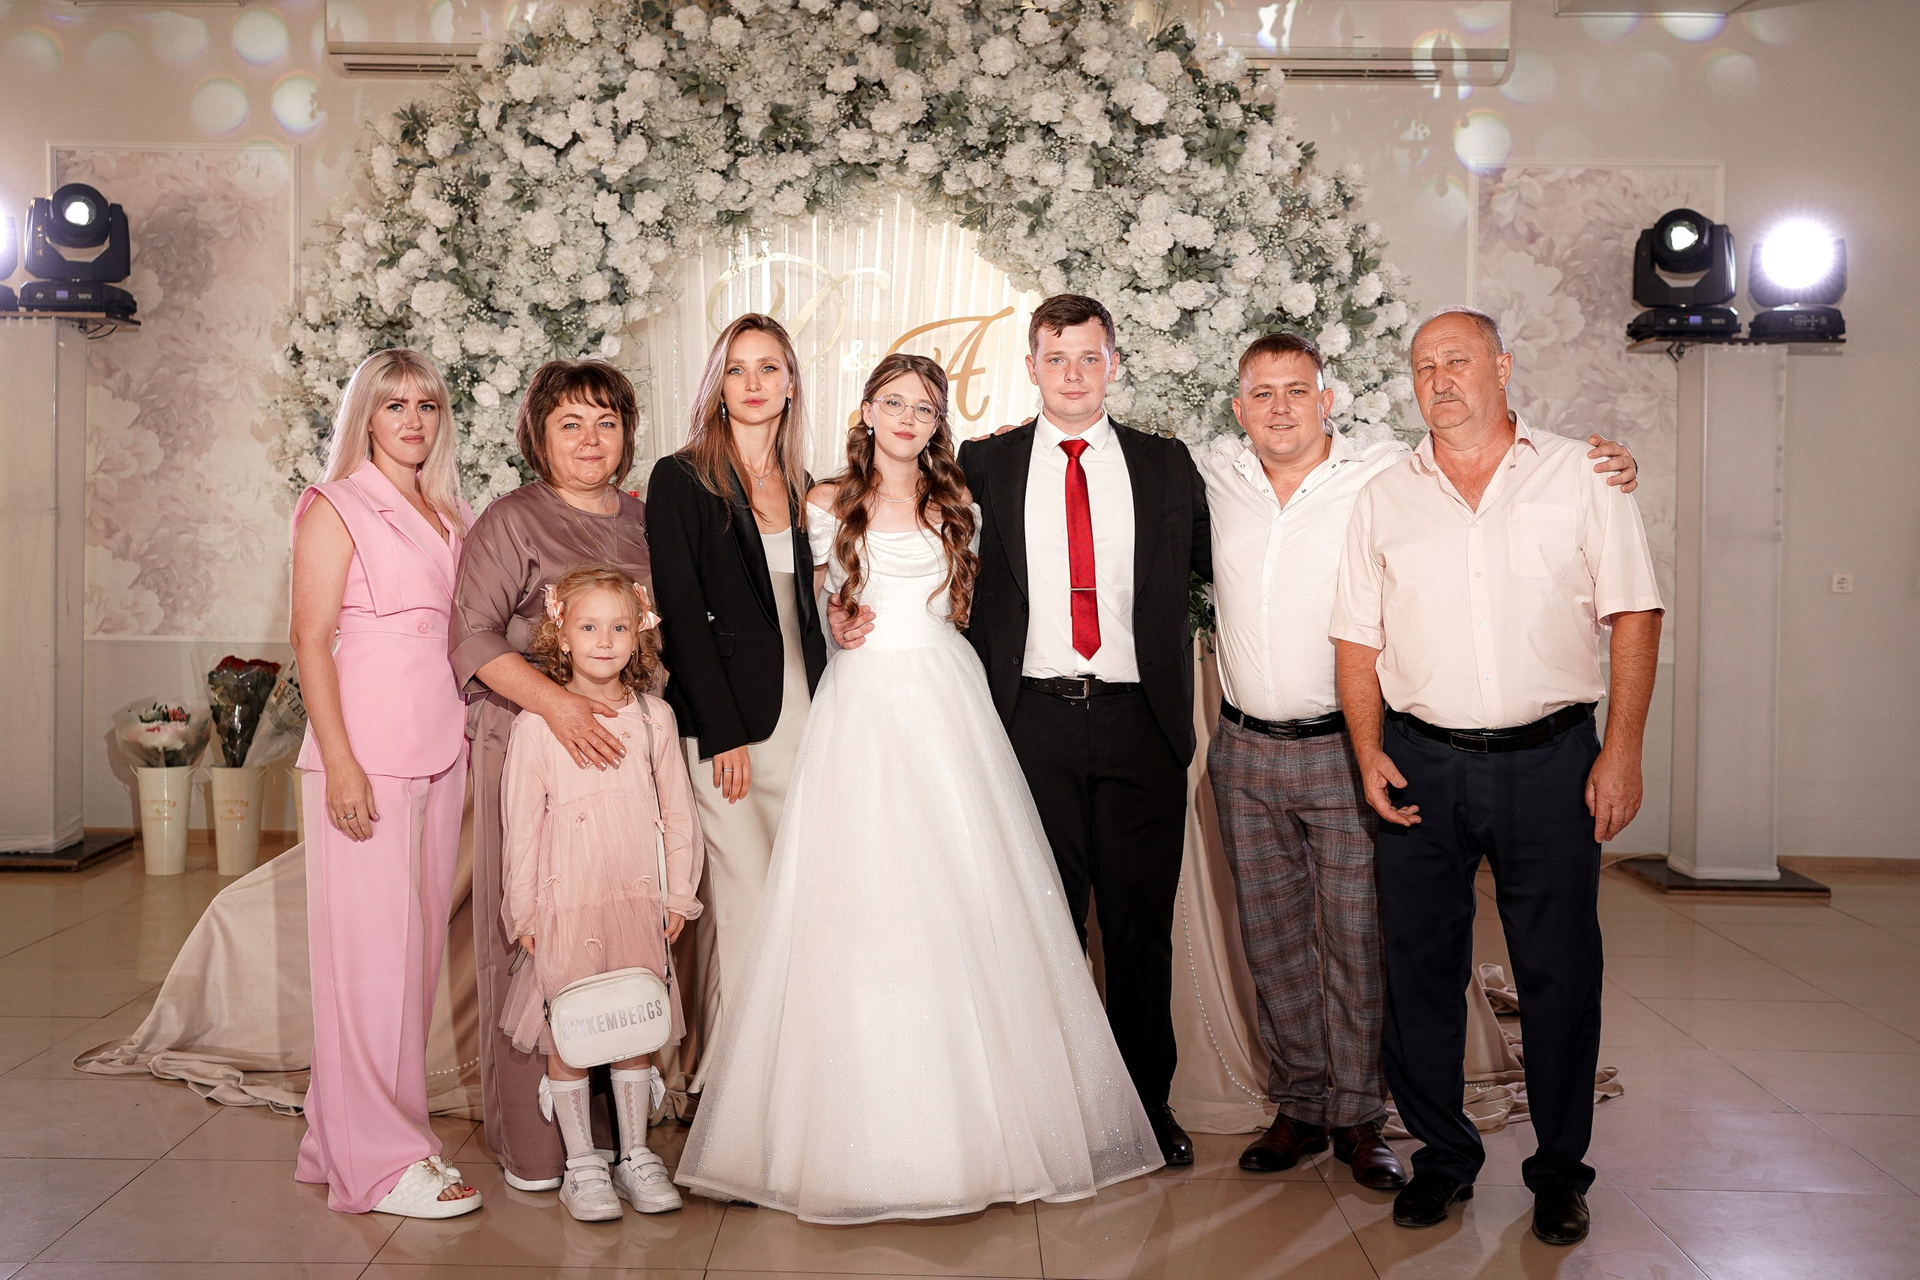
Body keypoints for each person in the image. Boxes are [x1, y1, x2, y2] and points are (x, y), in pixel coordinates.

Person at [675, 354, 1163, 1222]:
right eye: (893, 402)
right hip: (860, 707)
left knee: (962, 895)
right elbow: (801, 606)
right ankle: (855, 1133)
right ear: (866, 410)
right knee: (863, 901)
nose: (907, 417)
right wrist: (835, 616)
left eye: (925, 407)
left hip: (946, 701)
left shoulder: (960, 500)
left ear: (940, 422)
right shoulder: (824, 501)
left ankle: (986, 1128)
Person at [1204, 333, 1640, 1189]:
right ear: (1238, 409)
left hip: (1446, 750)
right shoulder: (1232, 476)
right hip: (1308, 751)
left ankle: (1405, 1128)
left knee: (1417, 951)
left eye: (1298, 390)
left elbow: (1625, 601)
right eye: (1262, 393)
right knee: (1324, 949)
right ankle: (1350, 1123)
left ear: (1328, 400)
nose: (1281, 407)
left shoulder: (1400, 473)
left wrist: (1619, 466)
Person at [1331, 307, 1663, 1246]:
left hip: (1551, 762)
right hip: (1421, 761)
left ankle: (1559, 1173)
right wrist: (1368, 750)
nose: (1440, 379)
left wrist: (1623, 749)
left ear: (1503, 367)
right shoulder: (1384, 497)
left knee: (1560, 971)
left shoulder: (1584, 475)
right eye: (1423, 366)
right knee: (1420, 971)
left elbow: (1635, 612)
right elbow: (1356, 637)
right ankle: (1443, 1159)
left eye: (1459, 360)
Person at [956, 294, 1210, 1166]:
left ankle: (1145, 1109)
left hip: (1141, 719)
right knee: (1046, 924)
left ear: (1114, 365)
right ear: (1030, 366)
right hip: (1029, 721)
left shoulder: (1166, 464)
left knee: (1139, 930)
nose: (1073, 374)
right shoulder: (982, 464)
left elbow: (1231, 553)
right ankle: (1057, 1111)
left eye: (1089, 357)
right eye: (1056, 358)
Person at [449, 359, 652, 1192]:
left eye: (606, 422)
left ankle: (617, 1137)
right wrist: (561, 709)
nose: (590, 439)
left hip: (623, 758)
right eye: (570, 423)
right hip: (532, 746)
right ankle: (537, 1147)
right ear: (539, 434)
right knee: (535, 931)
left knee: (616, 929)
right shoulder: (511, 520)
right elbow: (471, 636)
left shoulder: (645, 521)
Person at [288, 348, 480, 1217]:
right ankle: (381, 1164)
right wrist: (340, 762)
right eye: (394, 404)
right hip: (364, 752)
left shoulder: (450, 511)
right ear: (364, 416)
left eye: (426, 405)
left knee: (410, 961)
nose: (412, 420)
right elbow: (309, 638)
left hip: (441, 746)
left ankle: (341, 1139)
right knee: (370, 965)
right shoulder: (335, 504)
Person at [645, 314, 826, 1074]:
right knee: (746, 909)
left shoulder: (809, 488)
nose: (753, 384)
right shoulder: (681, 478)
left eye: (769, 368)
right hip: (731, 733)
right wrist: (722, 735)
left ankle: (787, 1085)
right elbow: (682, 617)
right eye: (737, 369)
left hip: (812, 723)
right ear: (717, 385)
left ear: (791, 384)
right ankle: (733, 1095)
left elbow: (817, 607)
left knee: (800, 911)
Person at [499, 565, 704, 1221]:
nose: (605, 641)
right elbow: (522, 826)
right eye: (589, 627)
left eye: (619, 627)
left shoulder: (654, 719)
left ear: (638, 634)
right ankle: (582, 1165)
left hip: (636, 899)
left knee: (633, 1020)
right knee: (573, 1027)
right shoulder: (537, 726)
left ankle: (635, 1155)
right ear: (562, 635)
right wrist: (525, 911)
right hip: (566, 903)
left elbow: (678, 813)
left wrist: (678, 896)